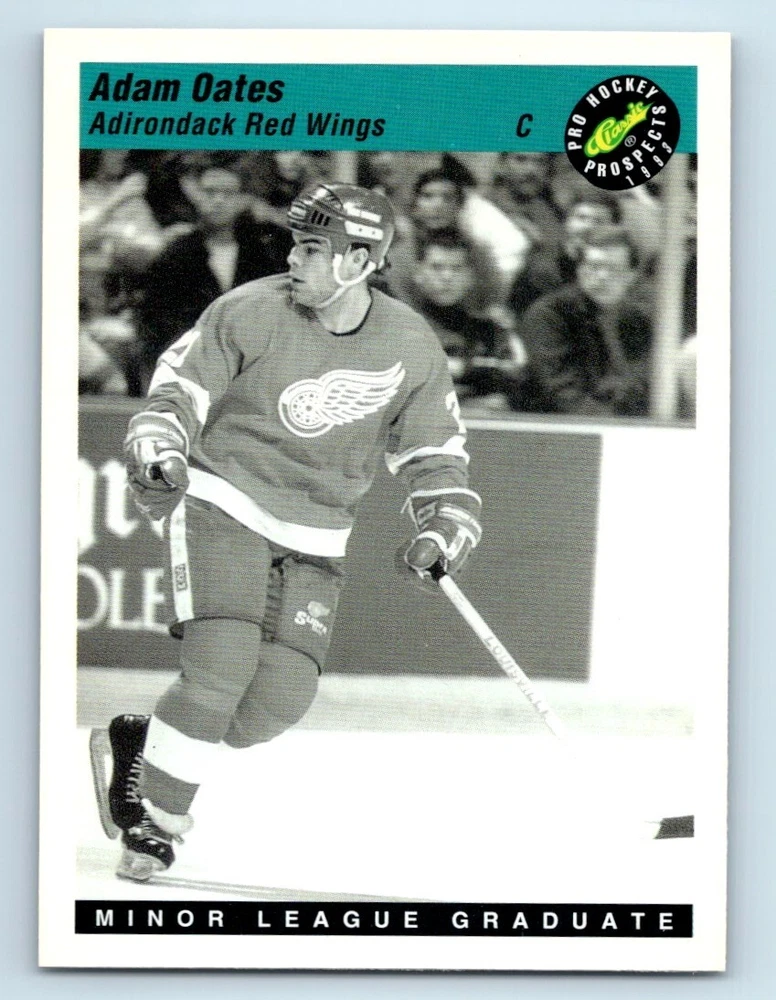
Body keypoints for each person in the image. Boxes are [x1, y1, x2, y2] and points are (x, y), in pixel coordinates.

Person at [89, 183, 483, 882]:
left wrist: (446, 521)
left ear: (359, 261)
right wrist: (160, 440)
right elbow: (178, 390)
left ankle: (144, 747)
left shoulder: (408, 342)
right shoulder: (248, 309)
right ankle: (154, 821)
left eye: (311, 249)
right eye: (296, 246)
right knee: (218, 671)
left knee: (274, 704)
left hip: (318, 534)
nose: (293, 260)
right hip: (222, 501)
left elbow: (435, 451)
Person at [135, 159, 291, 391]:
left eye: (228, 194)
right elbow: (159, 325)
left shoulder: (264, 253)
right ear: (196, 196)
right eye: (210, 192)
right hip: (191, 369)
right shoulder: (176, 255)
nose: (218, 200)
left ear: (242, 200)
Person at [519, 226, 651, 417]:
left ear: (632, 276)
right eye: (594, 266)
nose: (603, 277)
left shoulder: (638, 321)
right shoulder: (549, 315)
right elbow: (567, 397)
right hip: (555, 424)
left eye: (615, 269)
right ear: (579, 270)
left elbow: (644, 387)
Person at [411, 231, 527, 409]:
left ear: (470, 277)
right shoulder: (398, 327)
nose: (447, 277)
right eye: (437, 267)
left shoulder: (489, 331)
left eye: (457, 268)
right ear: (418, 273)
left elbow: (514, 379)